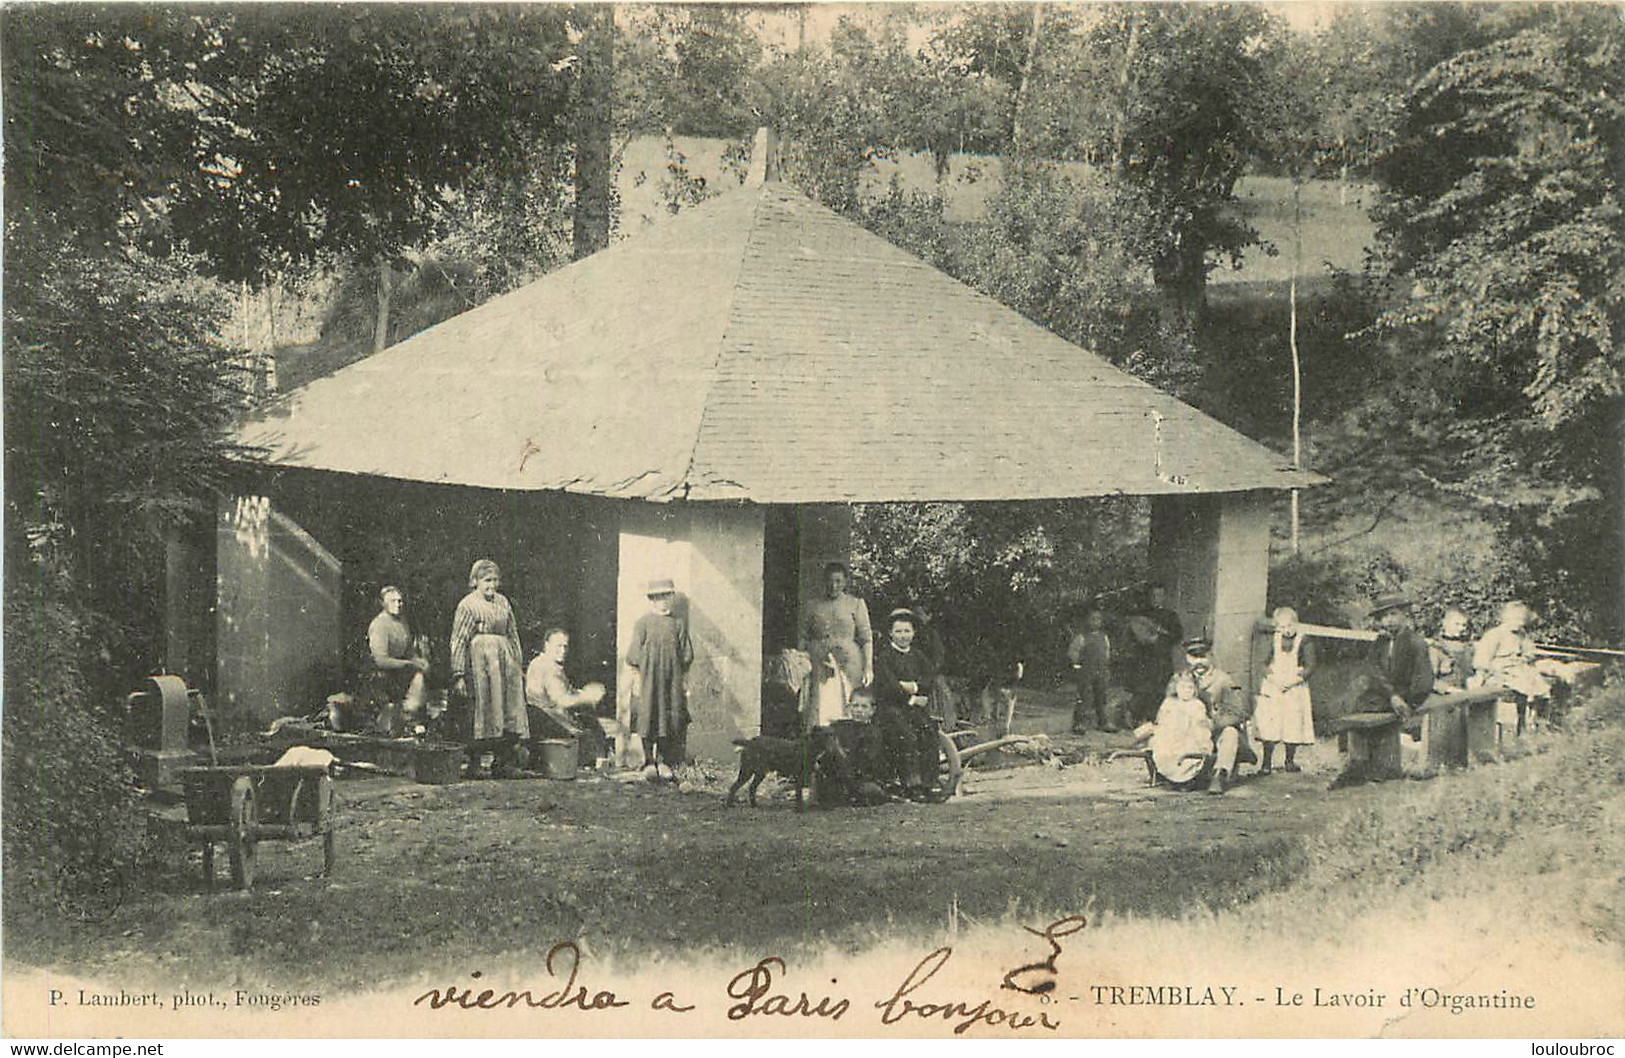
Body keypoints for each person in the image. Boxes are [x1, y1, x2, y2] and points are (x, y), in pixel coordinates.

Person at [449, 559, 528, 777]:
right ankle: (474, 763)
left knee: (508, 708)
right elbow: (459, 639)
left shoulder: (503, 603)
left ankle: (503, 762)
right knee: (482, 708)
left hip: (504, 662)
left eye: (494, 580)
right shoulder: (467, 605)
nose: (491, 585)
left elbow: (513, 635)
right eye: (486, 580)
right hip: (480, 663)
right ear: (475, 581)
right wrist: (458, 674)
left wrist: (518, 665)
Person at [871, 608, 942, 802]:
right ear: (891, 634)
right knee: (907, 735)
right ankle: (913, 784)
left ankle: (929, 783)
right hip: (890, 709)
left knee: (928, 730)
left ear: (913, 633)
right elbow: (888, 686)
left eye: (907, 631)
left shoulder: (918, 656)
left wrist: (914, 686)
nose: (903, 636)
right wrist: (910, 696)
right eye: (899, 631)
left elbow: (929, 679)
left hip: (914, 707)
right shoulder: (885, 657)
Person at [626, 578, 693, 782]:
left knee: (668, 718)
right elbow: (633, 656)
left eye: (666, 596)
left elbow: (686, 656)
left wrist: (684, 684)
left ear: (671, 598)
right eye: (657, 597)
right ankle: (648, 762)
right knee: (647, 716)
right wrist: (637, 682)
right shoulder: (643, 623)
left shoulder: (678, 624)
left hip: (671, 682)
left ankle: (663, 760)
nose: (662, 601)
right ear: (651, 600)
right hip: (648, 681)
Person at [1169, 636, 1255, 795]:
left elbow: (1237, 712)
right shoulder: (1179, 678)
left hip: (1214, 731)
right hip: (1186, 731)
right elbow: (1169, 704)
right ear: (1188, 658)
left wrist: (1213, 723)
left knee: (1230, 733)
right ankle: (1180, 775)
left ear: (1211, 657)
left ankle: (1220, 773)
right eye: (1194, 657)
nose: (1199, 662)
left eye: (1203, 657)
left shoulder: (1222, 680)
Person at [801, 563, 873, 723]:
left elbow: (866, 638)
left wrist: (868, 667)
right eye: (830, 581)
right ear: (824, 581)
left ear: (845, 581)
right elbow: (803, 637)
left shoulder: (855, 604)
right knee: (822, 706)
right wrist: (808, 657)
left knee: (848, 702)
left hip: (849, 662)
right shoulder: (813, 605)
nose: (834, 586)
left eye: (838, 581)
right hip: (821, 662)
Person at [525, 628, 608, 765]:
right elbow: (563, 701)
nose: (563, 650)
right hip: (549, 718)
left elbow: (562, 691)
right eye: (558, 646)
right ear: (547, 645)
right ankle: (599, 760)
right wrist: (588, 697)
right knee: (591, 726)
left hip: (541, 716)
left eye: (565, 646)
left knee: (589, 722)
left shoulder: (539, 662)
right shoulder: (549, 667)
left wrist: (579, 693)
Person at [1253, 606, 1316, 775]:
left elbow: (1311, 666)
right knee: (1270, 723)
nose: (1285, 630)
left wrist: (1294, 680)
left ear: (1296, 624)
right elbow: (1263, 663)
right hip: (1274, 685)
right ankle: (1266, 763)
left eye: (1289, 626)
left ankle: (1289, 760)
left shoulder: (1305, 641)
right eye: (1281, 627)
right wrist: (1273, 678)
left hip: (1294, 687)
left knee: (1292, 723)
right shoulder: (1273, 640)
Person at [1474, 600, 1551, 736]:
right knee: (1520, 683)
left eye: (1521, 619)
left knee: (1538, 682)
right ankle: (1519, 723)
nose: (1518, 623)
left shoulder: (1521, 634)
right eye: (1515, 619)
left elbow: (1529, 650)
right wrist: (1482, 672)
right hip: (1500, 668)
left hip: (1518, 666)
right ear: (1505, 618)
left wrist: (1525, 657)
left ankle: (1534, 719)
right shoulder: (1495, 635)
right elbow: (1483, 656)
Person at [367, 585, 429, 735]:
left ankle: (413, 718)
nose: (397, 604)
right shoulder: (379, 624)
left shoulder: (402, 622)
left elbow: (408, 651)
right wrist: (409, 664)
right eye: (392, 601)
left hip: (399, 669)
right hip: (381, 673)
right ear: (382, 603)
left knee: (421, 673)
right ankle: (406, 719)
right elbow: (380, 660)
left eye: (400, 601)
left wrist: (418, 660)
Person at [1126, 584, 1183, 723]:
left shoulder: (1171, 615)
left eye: (1159, 595)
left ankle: (1157, 718)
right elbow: (1132, 636)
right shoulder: (1142, 614)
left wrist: (1160, 639)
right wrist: (1145, 640)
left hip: (1163, 658)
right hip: (1144, 659)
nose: (1156, 599)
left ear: (1164, 597)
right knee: (1143, 689)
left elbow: (1177, 635)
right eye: (1153, 596)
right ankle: (1137, 718)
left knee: (1161, 688)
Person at [1149, 672, 1213, 786]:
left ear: (1195, 690)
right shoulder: (1169, 703)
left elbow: (1200, 729)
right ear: (1176, 688)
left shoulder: (1196, 705)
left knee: (1188, 753)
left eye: (1191, 687)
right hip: (1170, 739)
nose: (1187, 690)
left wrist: (1203, 744)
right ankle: (1167, 773)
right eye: (1183, 687)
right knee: (1162, 749)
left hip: (1190, 739)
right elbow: (1162, 723)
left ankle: (1186, 776)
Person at [1067, 607, 1114, 733]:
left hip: (1101, 671)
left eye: (1098, 619)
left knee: (1101, 696)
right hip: (1086, 671)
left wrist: (1105, 666)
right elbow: (1073, 653)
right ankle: (1079, 723)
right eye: (1093, 619)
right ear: (1087, 621)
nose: (1096, 622)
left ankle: (1103, 721)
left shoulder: (1104, 637)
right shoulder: (1082, 637)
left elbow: (1107, 652)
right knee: (1085, 696)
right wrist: (1078, 665)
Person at [1430, 608, 1476, 693]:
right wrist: (1448, 689)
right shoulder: (1436, 648)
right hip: (1446, 698)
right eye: (1457, 624)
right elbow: (1430, 680)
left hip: (1468, 695)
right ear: (1445, 623)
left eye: (1464, 625)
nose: (1461, 628)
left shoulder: (1469, 647)